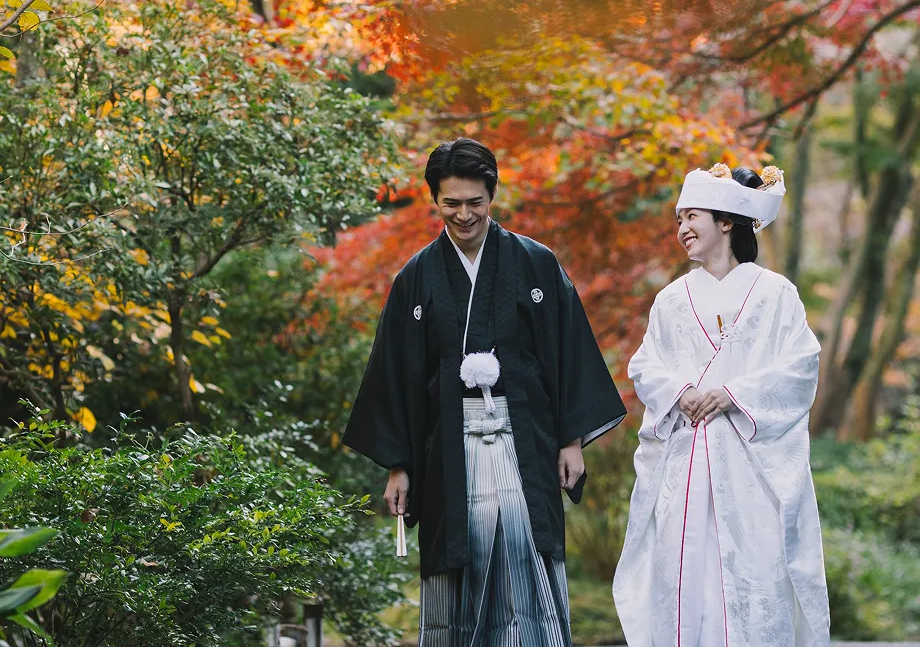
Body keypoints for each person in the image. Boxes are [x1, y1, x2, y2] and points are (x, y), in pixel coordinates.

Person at [343, 137, 626, 646]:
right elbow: (397, 374)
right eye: (451, 203)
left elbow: (567, 352)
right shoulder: (416, 277)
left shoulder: (536, 263)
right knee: (459, 562)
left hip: (526, 440)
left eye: (475, 202)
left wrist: (571, 441)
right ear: (435, 201)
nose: (464, 214)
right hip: (449, 446)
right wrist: (399, 466)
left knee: (525, 554)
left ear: (492, 196)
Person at [612, 164, 831, 646]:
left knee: (752, 574)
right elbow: (645, 365)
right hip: (685, 462)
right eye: (678, 220)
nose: (682, 229)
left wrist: (733, 394)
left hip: (749, 466)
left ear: (727, 221)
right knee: (686, 580)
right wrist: (680, 391)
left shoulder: (776, 294)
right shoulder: (670, 300)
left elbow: (800, 365)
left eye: (692, 216)